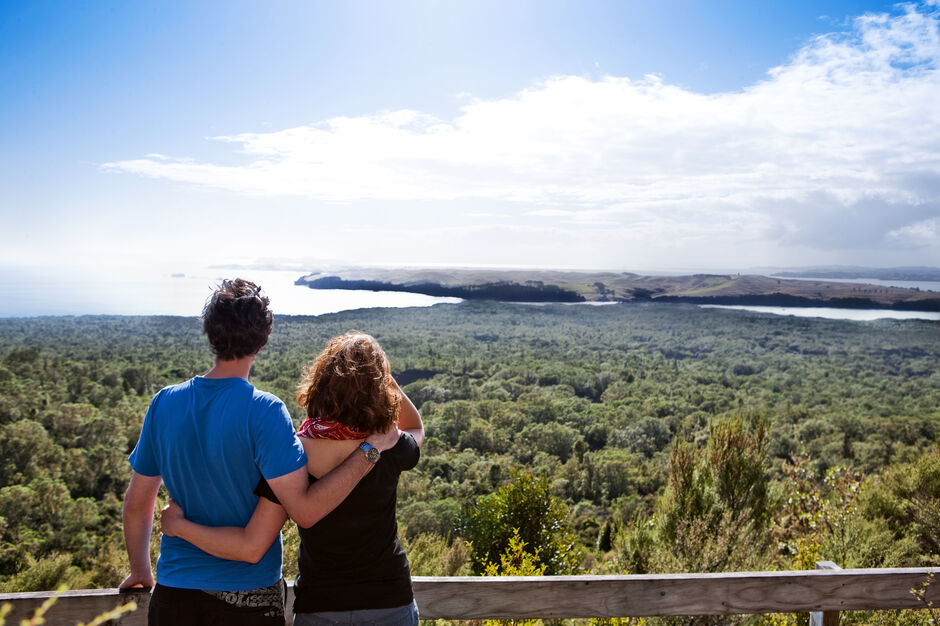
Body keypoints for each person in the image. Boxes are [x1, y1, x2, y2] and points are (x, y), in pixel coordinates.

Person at [120, 280, 399, 626]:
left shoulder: (164, 403)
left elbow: (137, 505)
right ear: (262, 341)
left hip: (175, 594)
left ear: (210, 333)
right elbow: (272, 534)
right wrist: (371, 447)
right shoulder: (264, 412)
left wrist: (141, 571)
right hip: (247, 600)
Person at [161, 331, 425, 626]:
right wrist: (381, 377)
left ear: (321, 385)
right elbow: (415, 427)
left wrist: (179, 526)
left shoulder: (292, 453)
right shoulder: (389, 443)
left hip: (321, 604)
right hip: (389, 599)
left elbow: (252, 543)